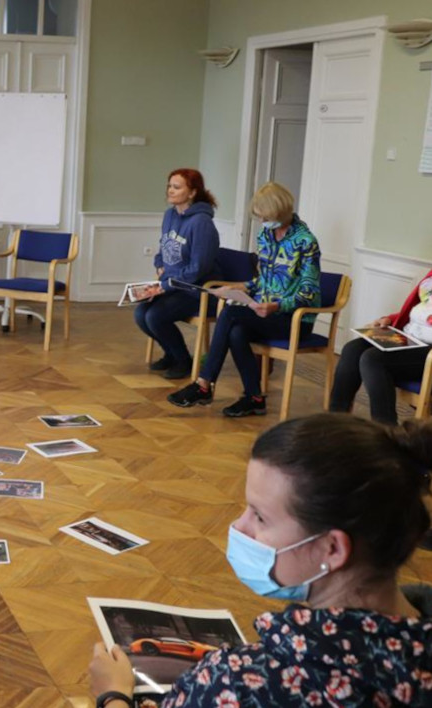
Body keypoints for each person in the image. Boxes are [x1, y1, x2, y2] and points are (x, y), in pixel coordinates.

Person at [89, 413, 432, 707]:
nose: (239, 527)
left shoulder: (240, 681)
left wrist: (113, 695)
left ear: (333, 549)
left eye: (260, 517)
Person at [167, 182, 320, 417]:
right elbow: (264, 281)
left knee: (230, 313)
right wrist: (236, 288)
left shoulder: (305, 241)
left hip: (292, 318)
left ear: (280, 212)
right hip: (263, 312)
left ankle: (204, 383)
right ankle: (254, 398)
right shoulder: (265, 235)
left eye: (266, 217)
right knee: (236, 331)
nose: (263, 222)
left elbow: (308, 292)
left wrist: (277, 305)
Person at [133, 169, 220, 379]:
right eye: (169, 186)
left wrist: (166, 285)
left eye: (177, 187)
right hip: (172, 285)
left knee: (155, 316)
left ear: (192, 193)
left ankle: (183, 360)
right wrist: (159, 264)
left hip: (197, 290)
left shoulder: (202, 223)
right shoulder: (170, 215)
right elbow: (163, 248)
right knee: (141, 314)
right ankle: (171, 354)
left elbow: (199, 268)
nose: (170, 191)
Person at [329, 271, 432, 425]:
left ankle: (387, 433)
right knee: (353, 349)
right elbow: (420, 309)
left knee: (373, 359)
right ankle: (336, 421)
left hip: (428, 350)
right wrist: (390, 319)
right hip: (411, 337)